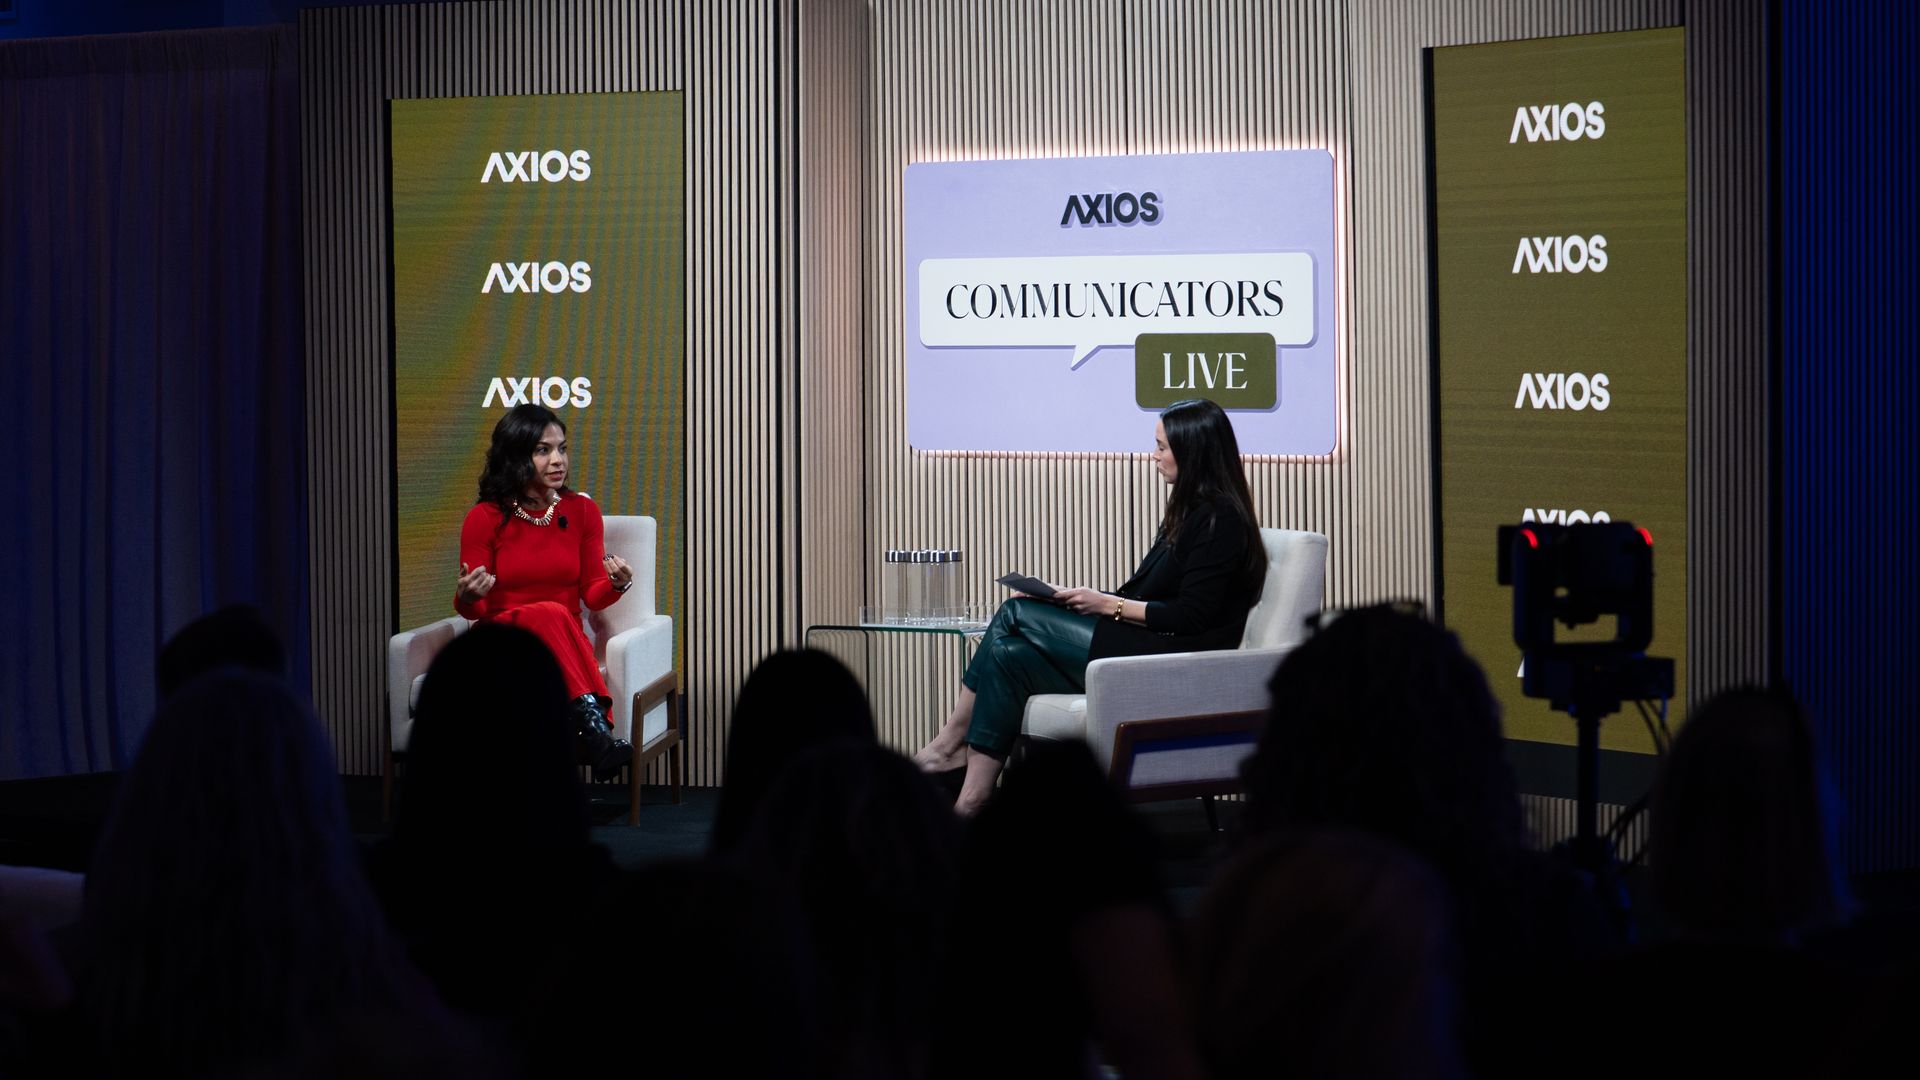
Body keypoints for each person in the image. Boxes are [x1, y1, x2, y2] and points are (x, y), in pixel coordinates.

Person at [915, 398, 1267, 814]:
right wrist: (1074, 598)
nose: (1152, 456)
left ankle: (949, 744)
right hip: (1145, 641)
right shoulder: (1187, 511)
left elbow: (1191, 615)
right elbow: (1143, 593)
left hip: (1171, 658)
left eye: (1161, 448)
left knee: (1013, 614)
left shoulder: (1218, 519)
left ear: (1193, 452)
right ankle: (974, 794)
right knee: (1010, 655)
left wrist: (1107, 606)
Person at [454, 403, 636, 780]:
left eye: (562, 448)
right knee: (551, 610)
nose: (558, 460)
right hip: (500, 643)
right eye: (543, 450)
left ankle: (585, 725)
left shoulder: (581, 511)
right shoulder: (484, 517)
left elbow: (592, 594)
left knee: (554, 614)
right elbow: (474, 610)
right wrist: (469, 597)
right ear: (516, 456)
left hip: (562, 642)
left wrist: (618, 584)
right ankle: (595, 727)